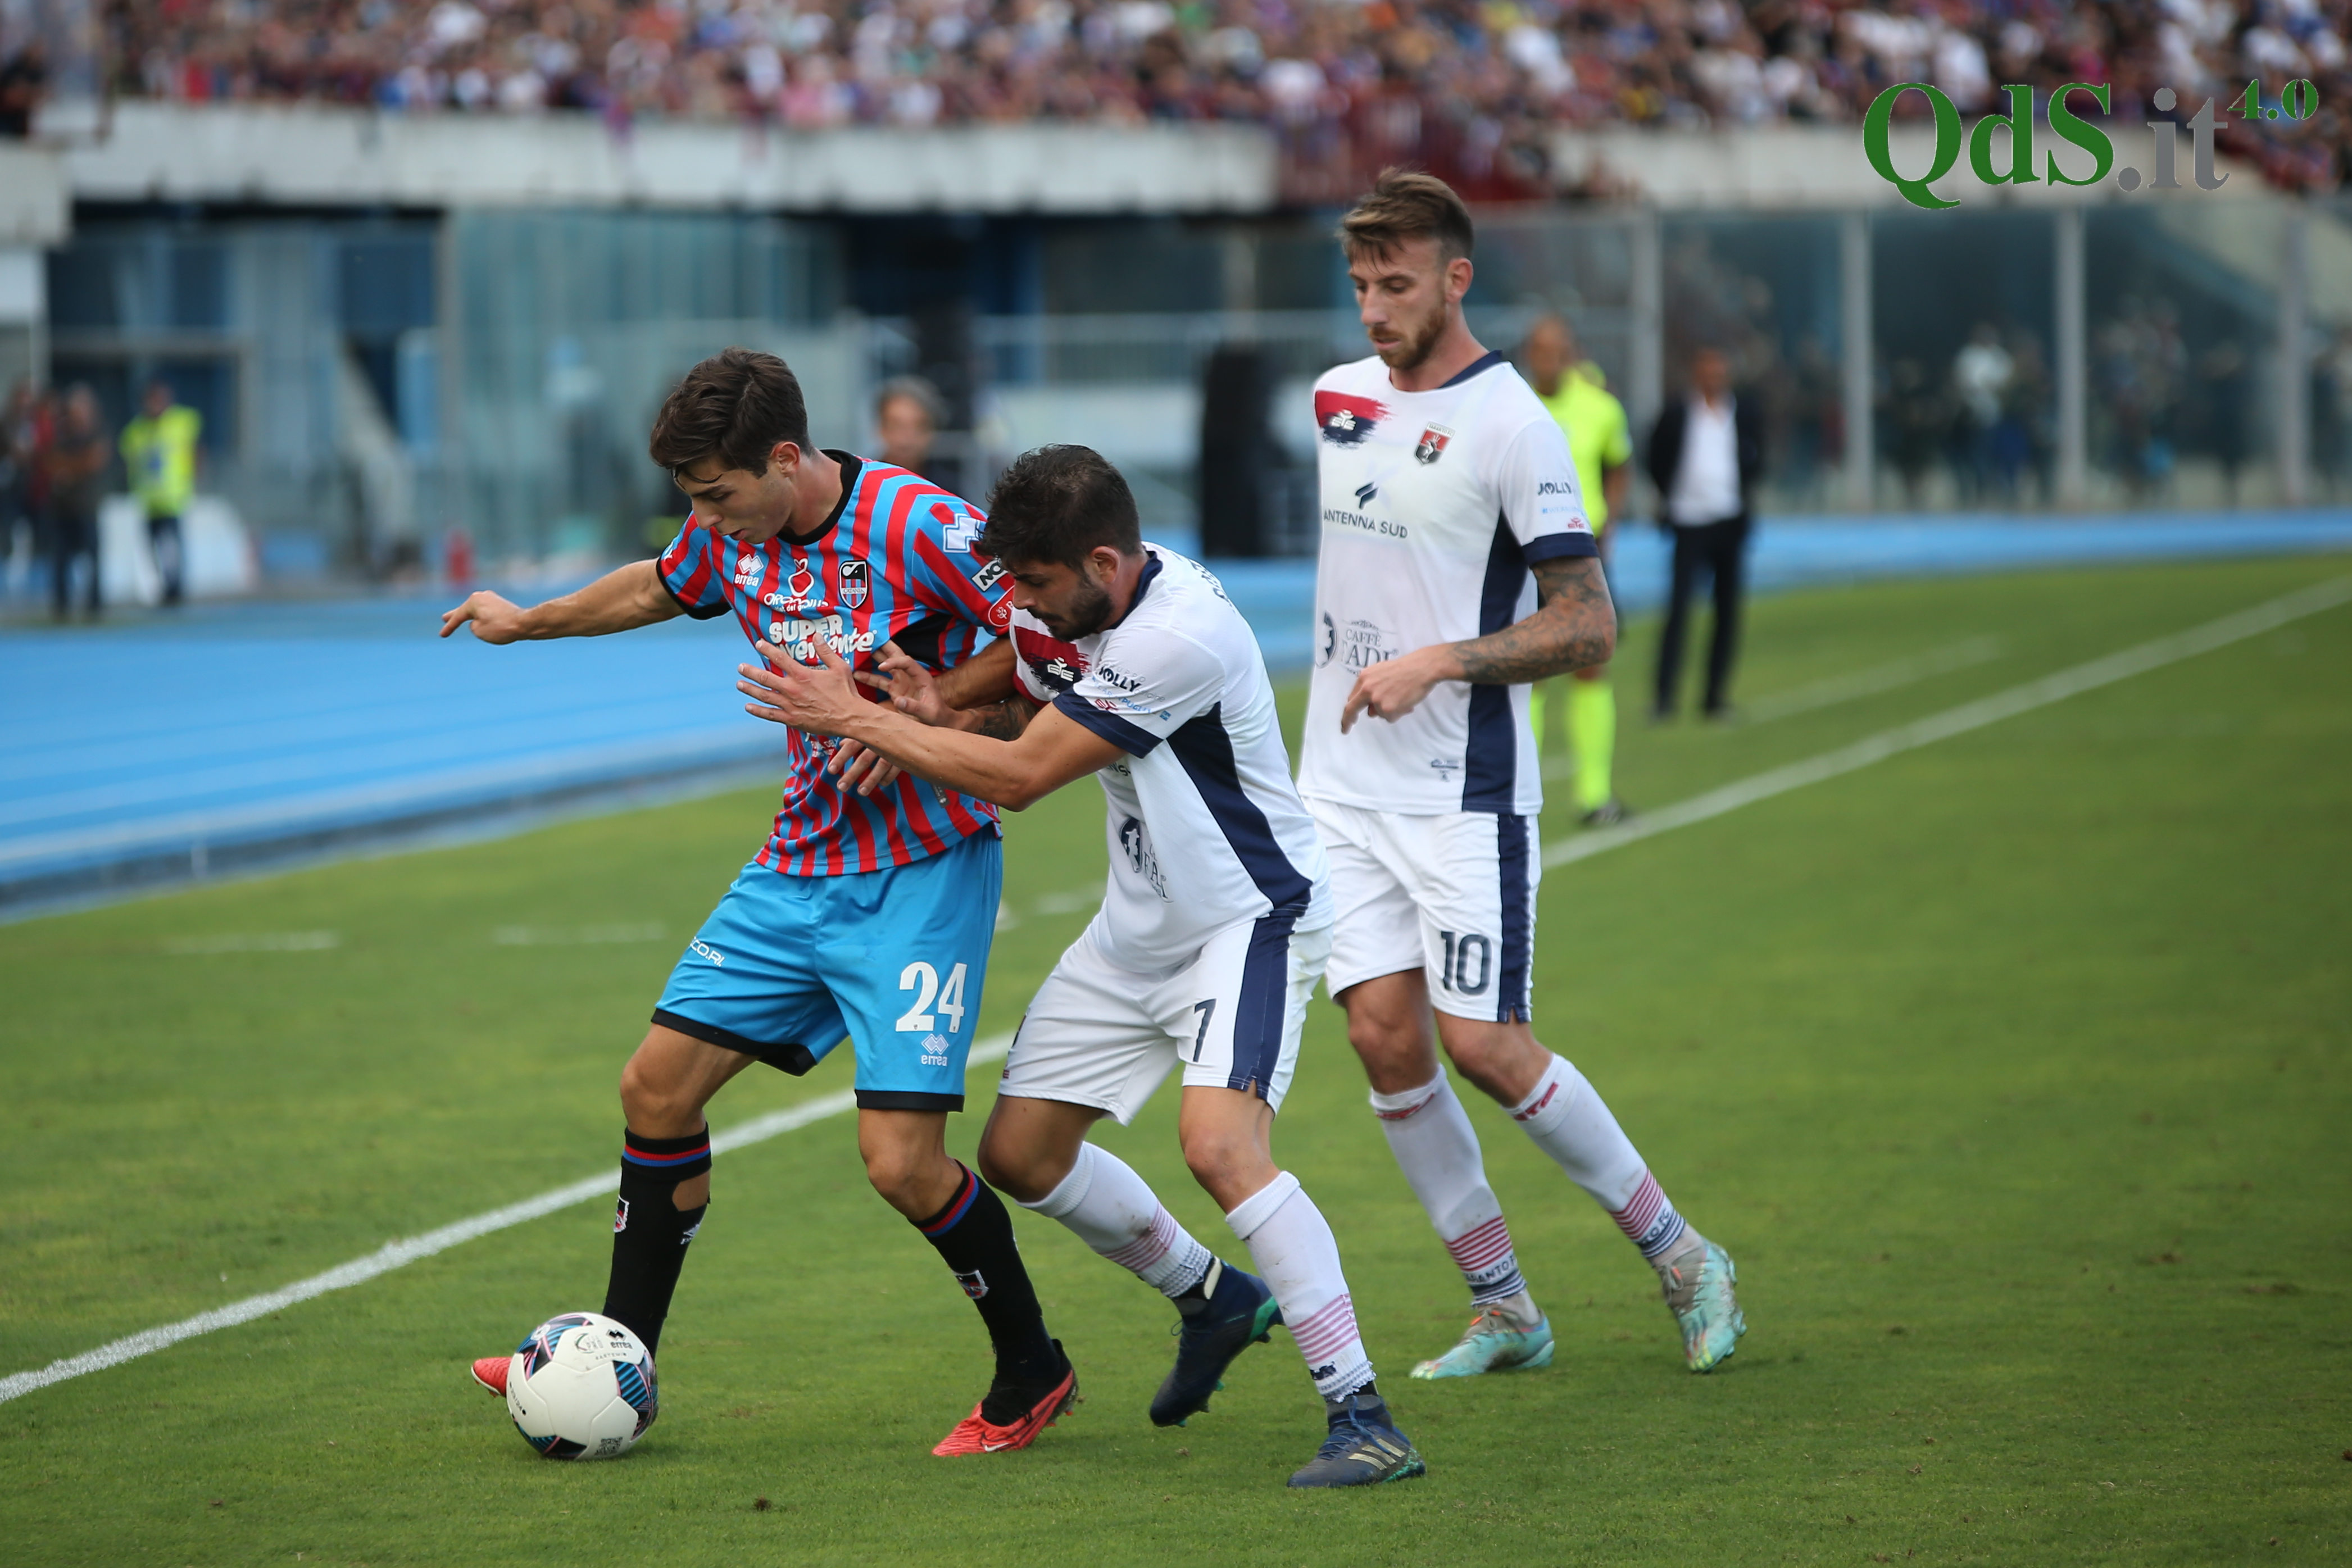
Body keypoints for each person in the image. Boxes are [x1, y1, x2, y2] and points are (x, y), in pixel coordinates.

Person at [738, 444, 1427, 1489]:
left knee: (1220, 1146)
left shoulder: (1179, 634)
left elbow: (1021, 776)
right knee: (1019, 1153)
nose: (1011, 603)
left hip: (1249, 919)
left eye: (1032, 585)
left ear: (1104, 562)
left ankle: (1363, 1414)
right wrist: (939, 704)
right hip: (1138, 925)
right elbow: (1023, 692)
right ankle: (1213, 1298)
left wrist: (860, 716)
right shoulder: (1059, 605)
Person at [443, 347, 1079, 1458]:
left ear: (787, 460)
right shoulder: (727, 530)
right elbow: (656, 582)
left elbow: (1041, 637)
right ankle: (616, 1359)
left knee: (899, 1164)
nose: (706, 522)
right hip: (797, 863)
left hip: (921, 874)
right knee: (655, 1089)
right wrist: (531, 620)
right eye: (693, 501)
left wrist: (939, 732)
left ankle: (1032, 1369)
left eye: (717, 495)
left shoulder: (919, 526)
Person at [1301, 169, 1745, 1381]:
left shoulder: (1515, 425)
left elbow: (1588, 625)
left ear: (1456, 279)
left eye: (1396, 285)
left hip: (1460, 788)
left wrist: (1440, 661)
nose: (1373, 308)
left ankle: (1681, 1255)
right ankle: (1503, 1307)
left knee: (1485, 1046)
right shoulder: (1335, 396)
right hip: (1337, 786)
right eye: (1358, 285)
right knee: (1383, 1042)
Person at [1520, 314, 1633, 827]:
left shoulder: (1600, 407)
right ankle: (1523, 794)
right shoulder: (1511, 408)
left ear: (1569, 353)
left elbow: (1618, 462)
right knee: (1527, 673)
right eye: (1539, 351)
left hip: (1582, 554)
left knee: (1590, 665)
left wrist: (1609, 518)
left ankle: (1595, 794)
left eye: (1556, 351)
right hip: (1523, 557)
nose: (1548, 360)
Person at [1646, 344, 1763, 720]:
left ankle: (1715, 697)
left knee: (1727, 612)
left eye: (1719, 370)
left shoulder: (1742, 412)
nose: (1713, 376)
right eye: (1707, 369)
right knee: (1679, 610)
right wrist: (1669, 495)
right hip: (1688, 520)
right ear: (1696, 373)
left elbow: (1758, 456)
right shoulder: (1679, 412)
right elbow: (1656, 457)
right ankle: (1665, 698)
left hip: (1729, 519)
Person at [120, 379, 202, 605]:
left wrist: (194, 479)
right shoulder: (136, 431)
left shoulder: (181, 422)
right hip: (148, 500)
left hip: (174, 498)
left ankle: (175, 589)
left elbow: (195, 452)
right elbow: (131, 463)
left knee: (173, 548)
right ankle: (161, 587)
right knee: (153, 549)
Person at [46, 386, 107, 619]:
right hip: (61, 508)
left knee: (92, 559)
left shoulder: (97, 434)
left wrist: (68, 466)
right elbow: (50, 463)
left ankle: (94, 606)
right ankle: (62, 606)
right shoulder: (60, 436)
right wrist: (73, 464)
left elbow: (93, 461)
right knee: (61, 559)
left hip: (87, 507)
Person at [875, 375, 947, 479]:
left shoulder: (946, 489)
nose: (906, 438)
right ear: (881, 429)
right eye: (896, 426)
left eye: (917, 427)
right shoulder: (858, 484)